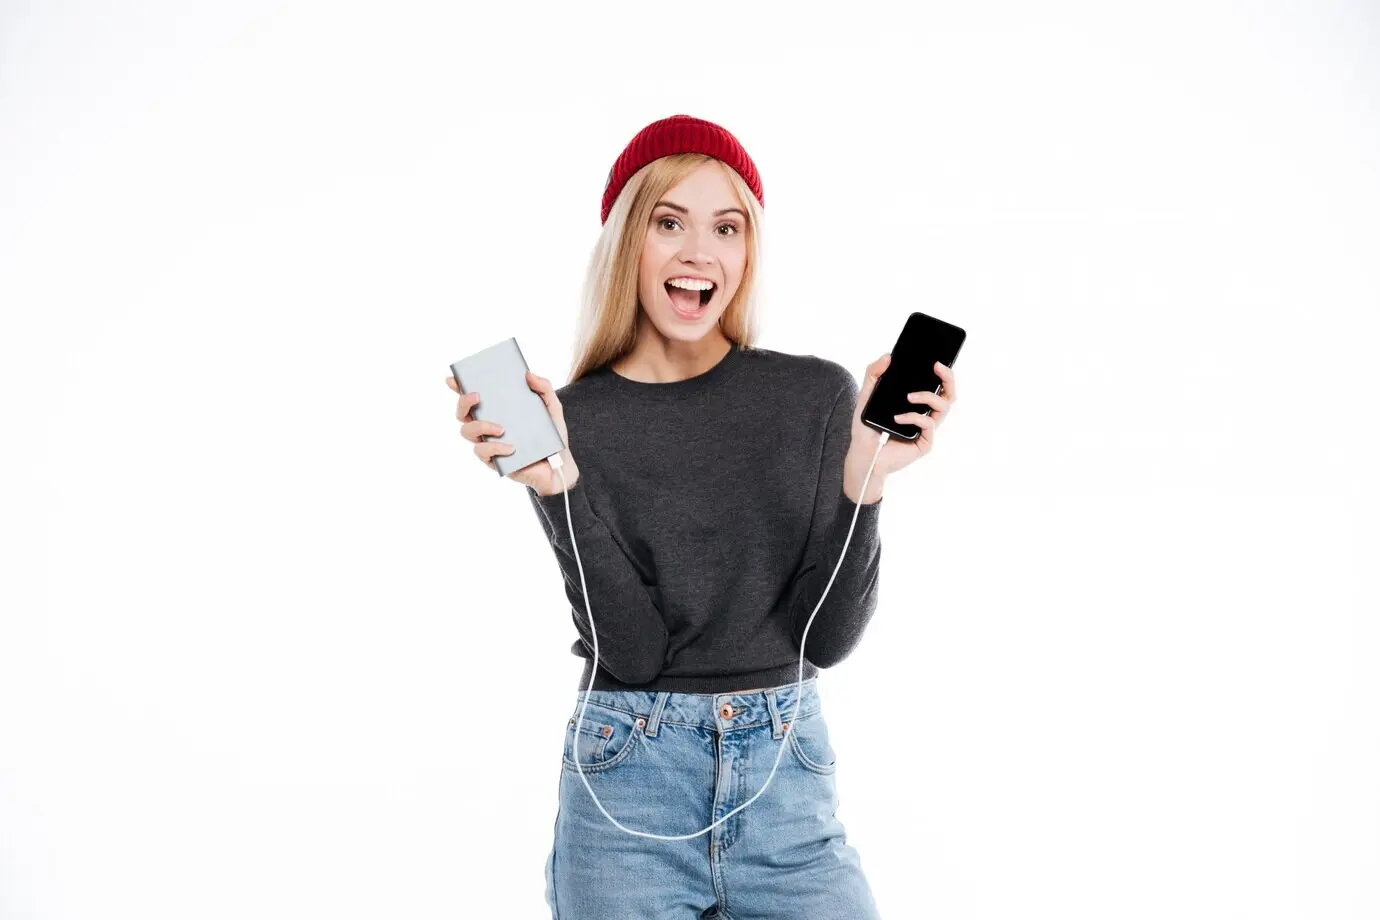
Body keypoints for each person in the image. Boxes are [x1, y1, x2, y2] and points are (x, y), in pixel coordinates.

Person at [445, 114, 956, 919]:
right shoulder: (576, 422)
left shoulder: (816, 396)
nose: (698, 252)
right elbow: (635, 653)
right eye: (669, 222)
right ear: (626, 244)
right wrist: (558, 489)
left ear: (747, 251)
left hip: (786, 788)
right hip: (627, 795)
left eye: (726, 227)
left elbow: (825, 640)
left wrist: (866, 481)